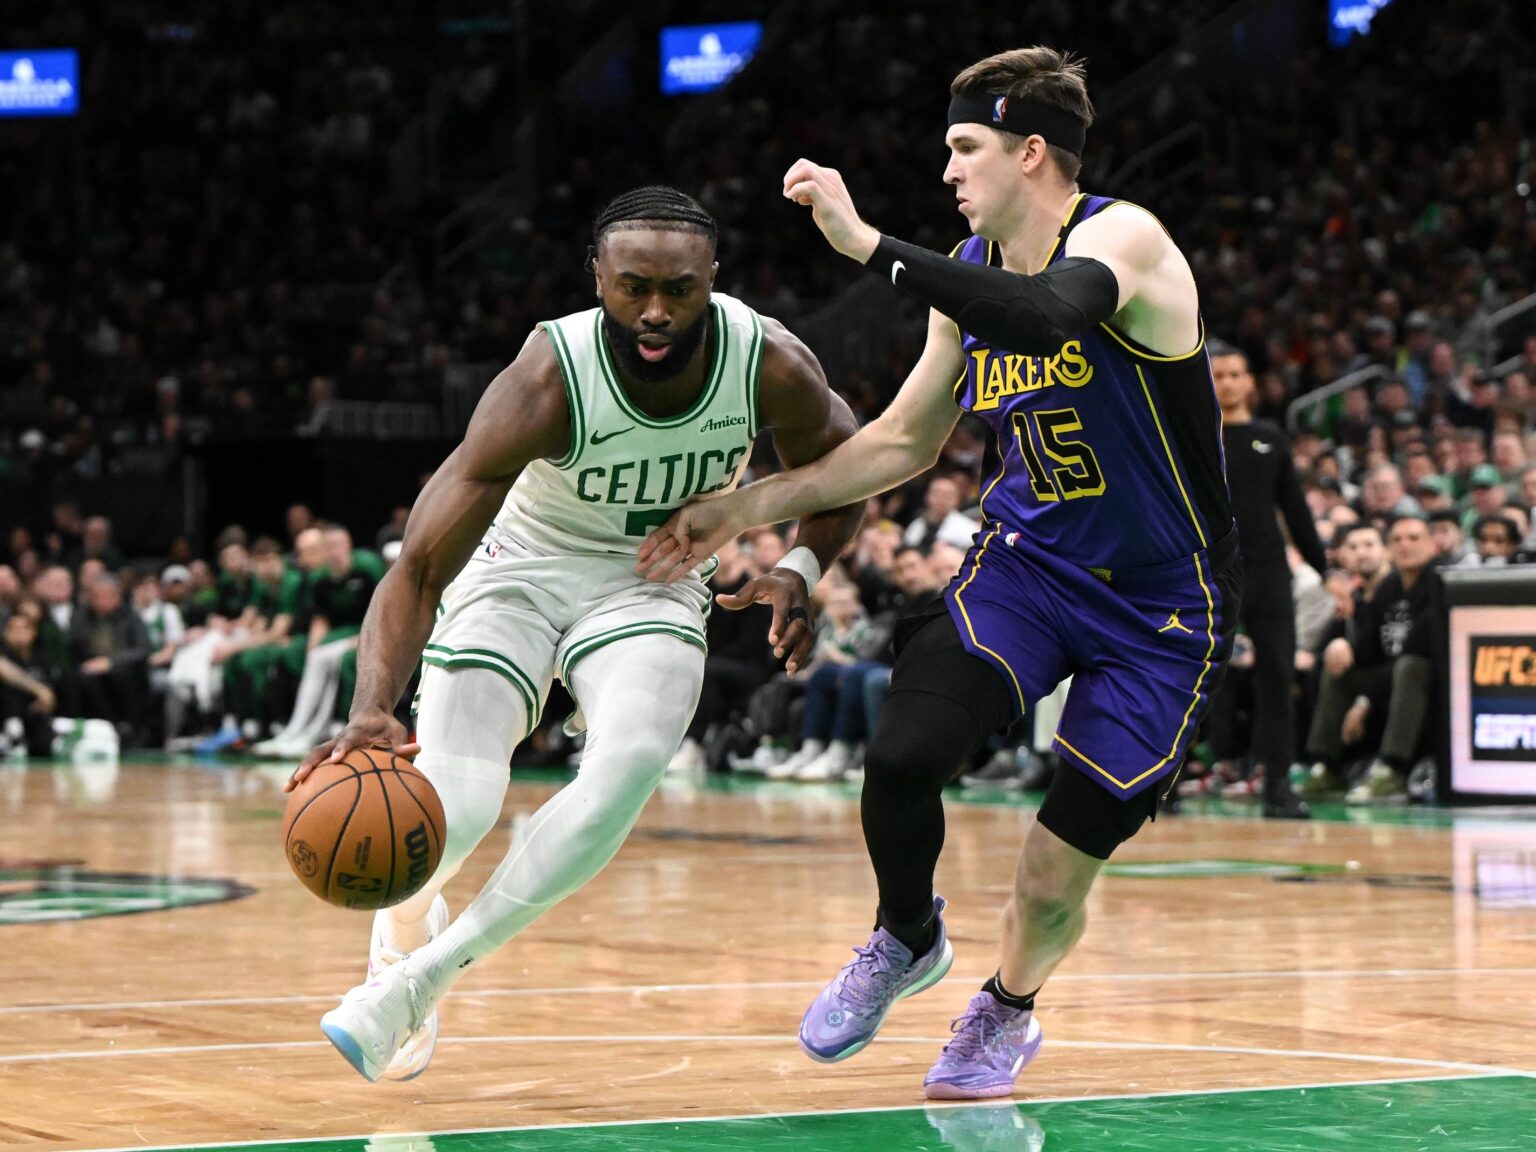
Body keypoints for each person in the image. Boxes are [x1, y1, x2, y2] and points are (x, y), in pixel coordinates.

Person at [639, 47, 1240, 1099]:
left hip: (1162, 606)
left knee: (1056, 876)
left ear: (1033, 151)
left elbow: (1052, 315)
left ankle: (1005, 1010)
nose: (951, 170)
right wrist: (743, 509)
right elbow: (901, 443)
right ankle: (906, 936)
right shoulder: (967, 273)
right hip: (1033, 566)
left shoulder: (1124, 235)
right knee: (907, 750)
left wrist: (869, 243)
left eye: (967, 147)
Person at [283, 187, 862, 1083]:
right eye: (633, 287)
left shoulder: (767, 360)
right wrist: (370, 708)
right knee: (459, 806)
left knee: (629, 762)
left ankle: (419, 982)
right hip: (520, 566)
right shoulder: (548, 377)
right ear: (597, 278)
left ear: (715, 278)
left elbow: (845, 465)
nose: (657, 311)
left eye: (679, 287)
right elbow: (421, 568)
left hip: (653, 581)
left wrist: (802, 566)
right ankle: (401, 926)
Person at [1207, 340, 1324, 818]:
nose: (1228, 383)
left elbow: (1294, 510)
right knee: (1191, 674)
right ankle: (1165, 780)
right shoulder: (1192, 433)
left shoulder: (1270, 438)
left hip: (1269, 572)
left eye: (1236, 374)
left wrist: (1326, 570)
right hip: (1211, 572)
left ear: (1250, 383)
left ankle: (1278, 784)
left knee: (1276, 676)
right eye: (1219, 375)